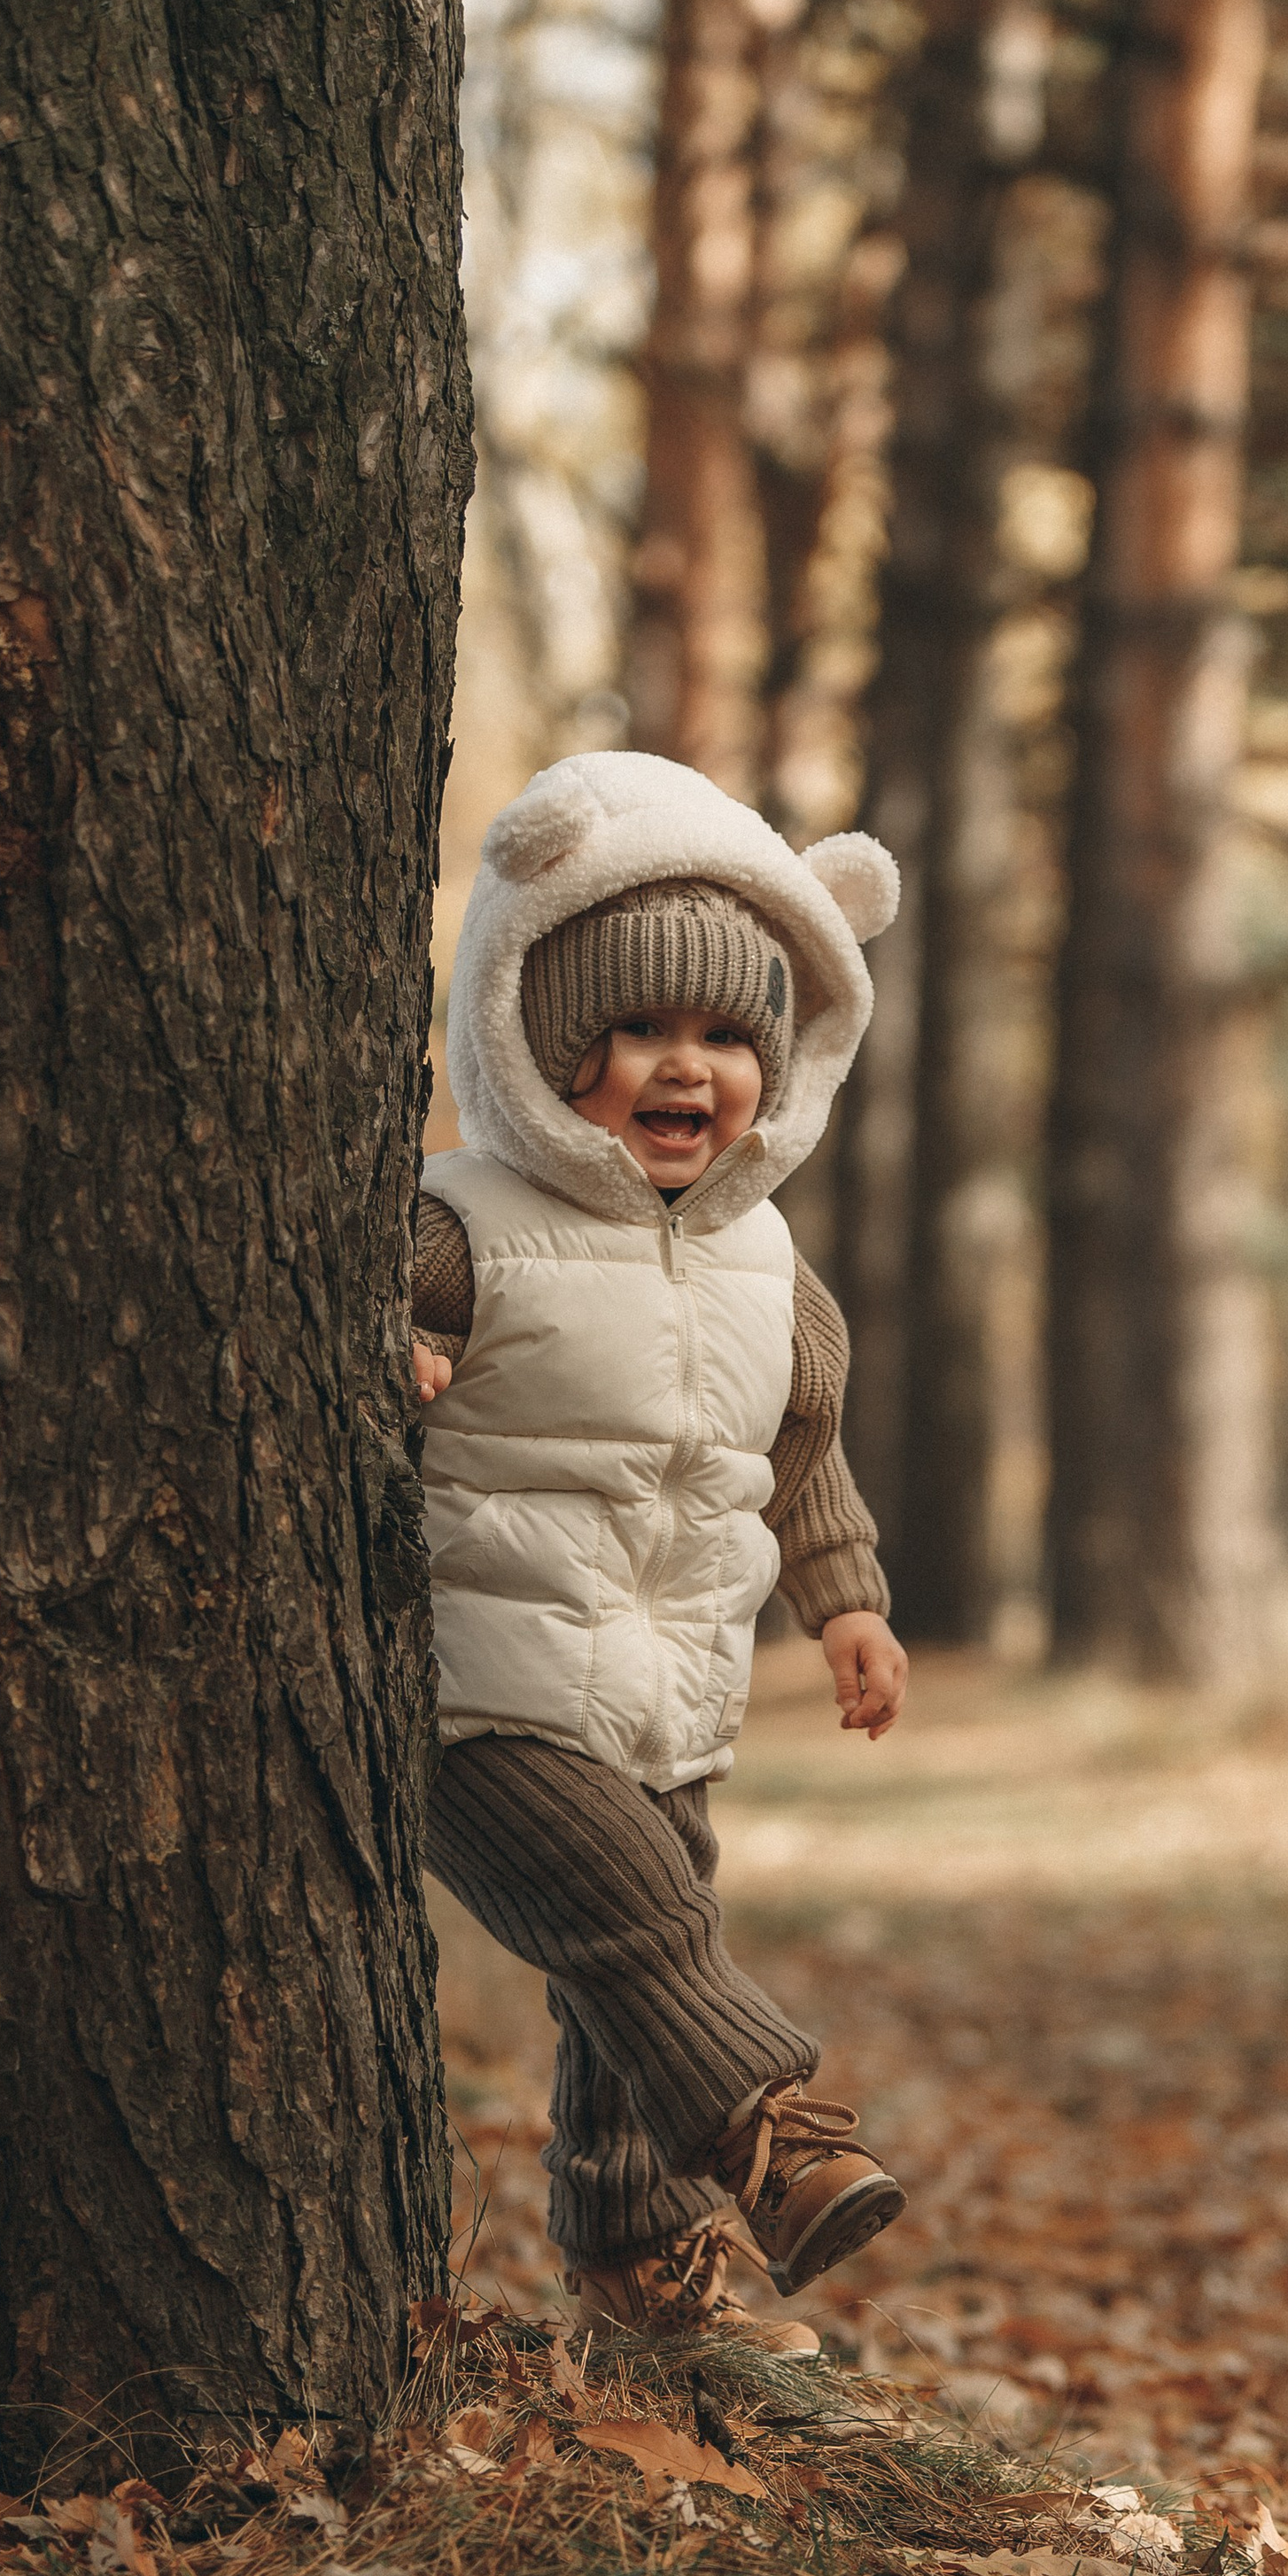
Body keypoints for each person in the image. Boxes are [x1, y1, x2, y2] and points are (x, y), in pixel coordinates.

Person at [406, 750, 912, 2355]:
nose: (680, 1067)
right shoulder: (463, 1221)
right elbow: (334, 1332)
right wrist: (383, 1350)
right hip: (474, 1687)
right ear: (545, 1049)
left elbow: (802, 1455)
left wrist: (847, 1603)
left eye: (721, 1036)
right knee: (641, 1931)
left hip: (666, 1694)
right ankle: (773, 2132)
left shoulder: (773, 1267)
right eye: (633, 1031)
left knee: (628, 1984)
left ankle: (642, 2280)